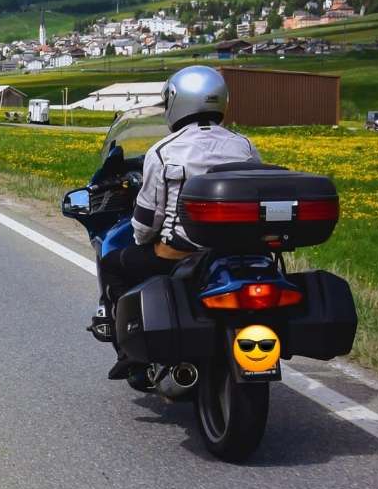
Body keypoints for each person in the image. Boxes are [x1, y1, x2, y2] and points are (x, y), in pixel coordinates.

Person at [97, 65, 261, 379]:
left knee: (113, 264)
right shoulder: (245, 146)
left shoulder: (163, 151)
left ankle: (131, 353)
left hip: (181, 253)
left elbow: (146, 221)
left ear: (177, 101)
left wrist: (143, 240)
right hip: (236, 252)